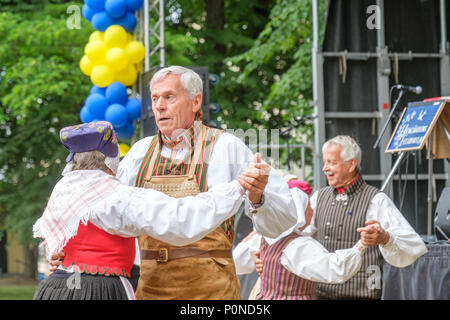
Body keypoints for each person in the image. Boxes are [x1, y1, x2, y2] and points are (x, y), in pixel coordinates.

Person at [50, 66, 304, 300]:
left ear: (196, 101)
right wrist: (65, 250)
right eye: (155, 98)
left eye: (169, 97)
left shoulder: (227, 147)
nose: (159, 106)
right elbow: (102, 211)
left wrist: (259, 198)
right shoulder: (139, 153)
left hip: (212, 291)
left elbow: (283, 223)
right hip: (150, 289)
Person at [33, 121, 256, 300]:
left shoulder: (63, 190)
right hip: (99, 289)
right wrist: (236, 187)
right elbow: (180, 218)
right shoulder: (116, 196)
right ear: (111, 158)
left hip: (56, 288)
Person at [306, 135, 427, 299]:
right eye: (325, 162)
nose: (324, 168)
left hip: (363, 293)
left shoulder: (376, 200)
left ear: (351, 164)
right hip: (322, 293)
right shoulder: (319, 197)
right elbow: (300, 236)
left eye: (332, 162)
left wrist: (385, 238)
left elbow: (413, 245)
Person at [234, 179, 368, 300]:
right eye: (309, 207)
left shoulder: (269, 236)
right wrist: (363, 243)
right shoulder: (299, 245)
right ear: (300, 212)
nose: (312, 211)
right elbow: (337, 269)